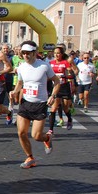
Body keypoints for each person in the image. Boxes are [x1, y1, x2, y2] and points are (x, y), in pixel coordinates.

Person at [10, 41, 60, 169]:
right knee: (21, 133)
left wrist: (52, 96)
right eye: (23, 53)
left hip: (40, 104)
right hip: (25, 103)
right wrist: (14, 92)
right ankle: (30, 157)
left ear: (34, 53)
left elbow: (57, 81)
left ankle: (47, 139)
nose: (25, 55)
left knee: (36, 136)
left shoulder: (44, 66)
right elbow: (20, 83)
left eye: (28, 53)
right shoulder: (21, 67)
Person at [48, 47, 77, 132]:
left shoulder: (65, 63)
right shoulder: (51, 63)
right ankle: (50, 130)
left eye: (58, 53)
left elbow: (71, 74)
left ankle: (69, 119)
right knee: (53, 109)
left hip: (64, 86)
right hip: (55, 87)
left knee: (65, 108)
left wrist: (65, 76)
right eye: (55, 53)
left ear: (61, 54)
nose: (56, 55)